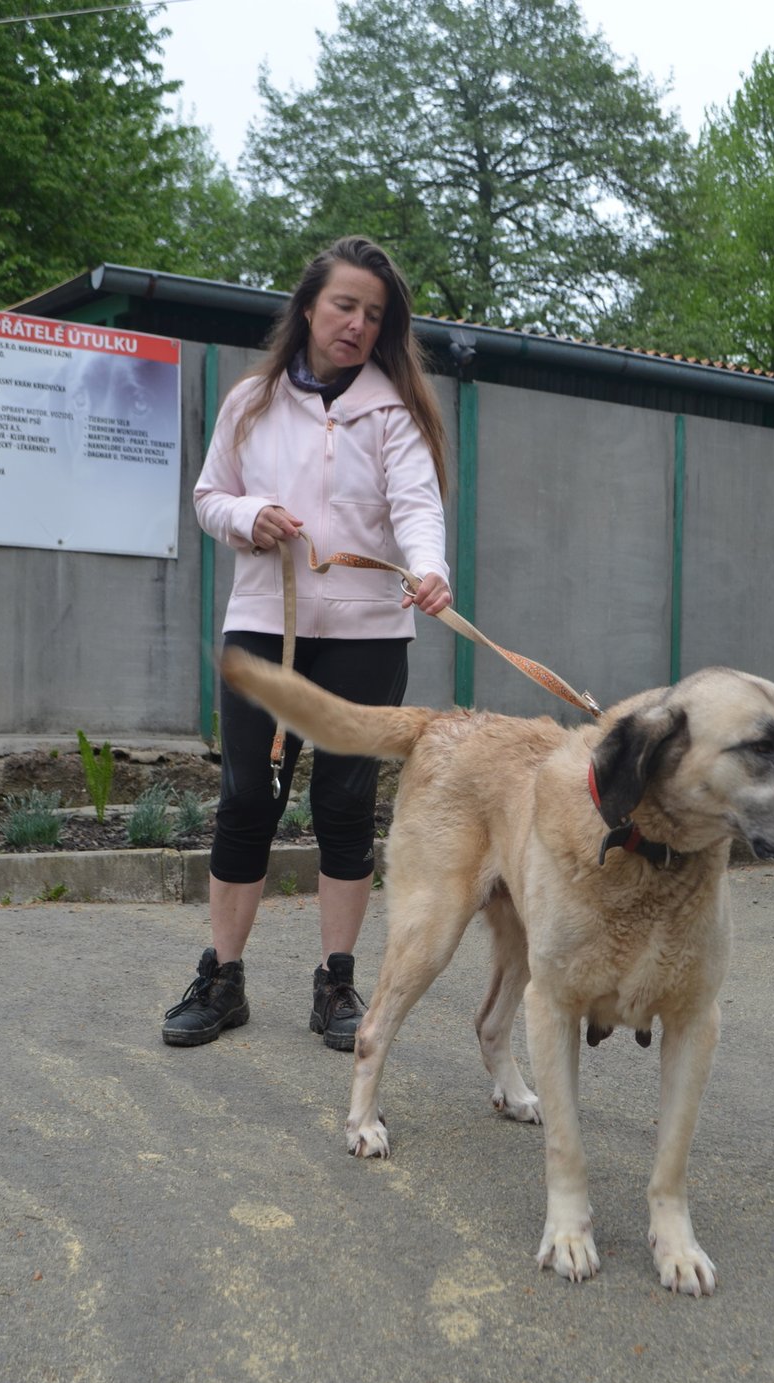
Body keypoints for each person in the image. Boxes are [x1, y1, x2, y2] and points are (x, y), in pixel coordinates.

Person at [161, 236, 452, 1051]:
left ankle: (337, 983)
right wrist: (248, 517)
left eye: (374, 314)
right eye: (344, 306)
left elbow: (418, 508)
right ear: (309, 307)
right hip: (264, 625)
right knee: (249, 799)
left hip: (368, 635)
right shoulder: (250, 401)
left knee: (347, 806)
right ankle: (220, 977)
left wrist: (430, 570)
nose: (357, 324)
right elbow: (208, 497)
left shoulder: (394, 413)